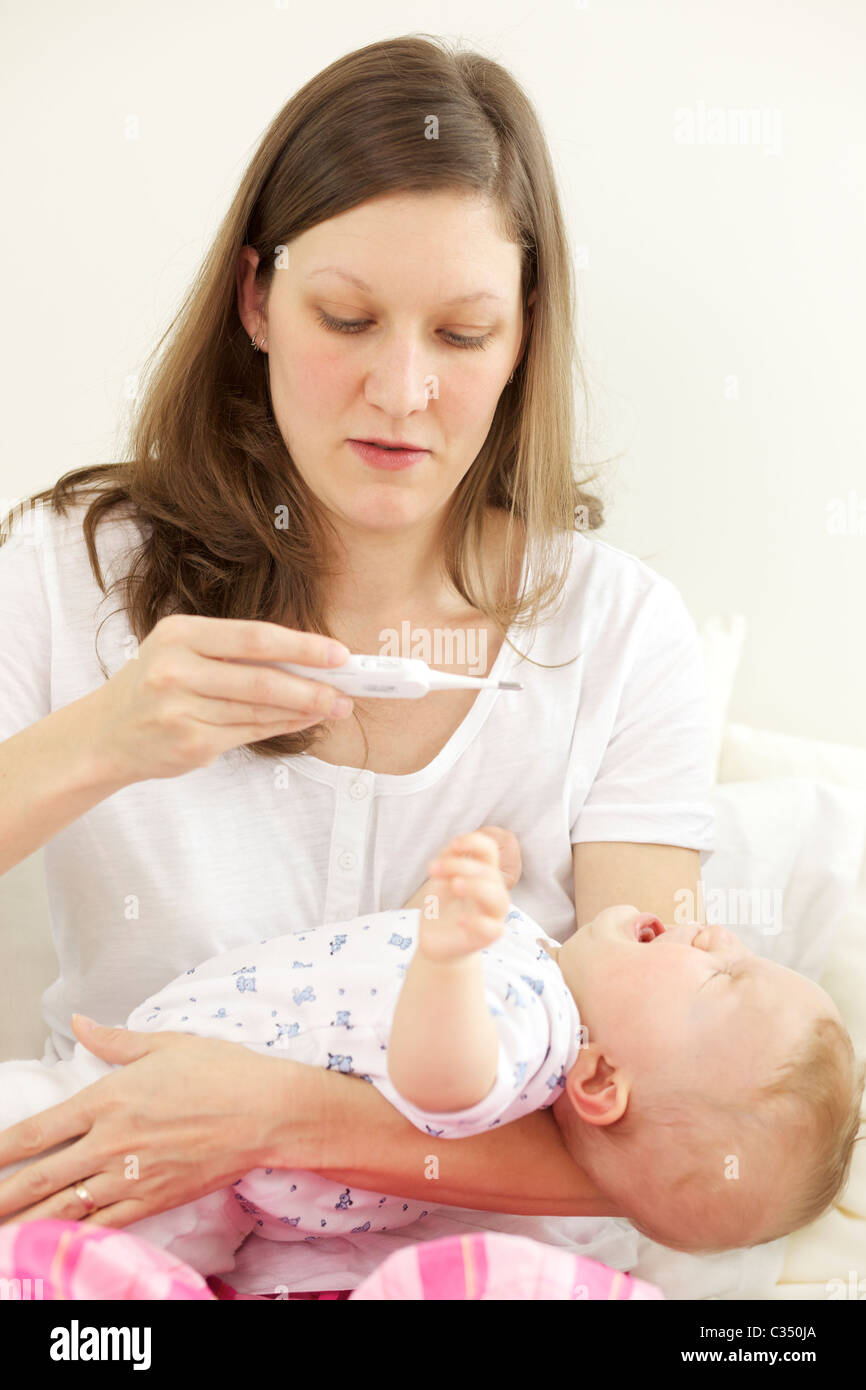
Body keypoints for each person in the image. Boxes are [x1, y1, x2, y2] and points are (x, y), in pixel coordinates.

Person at [0, 36, 720, 1295]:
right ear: (253, 301)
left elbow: (668, 1120)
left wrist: (274, 1116)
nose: (402, 389)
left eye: (460, 332)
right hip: (131, 1226)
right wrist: (103, 738)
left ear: (521, 339)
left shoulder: (616, 636)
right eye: (346, 317)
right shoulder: (74, 572)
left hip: (479, 1257)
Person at [1, 829, 860, 1278]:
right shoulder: (534, 976)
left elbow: (443, 1084)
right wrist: (444, 905)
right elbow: (375, 1009)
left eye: (721, 978)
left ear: (600, 1082)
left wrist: (449, 953)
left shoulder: (537, 1036)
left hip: (135, 1149)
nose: (719, 932)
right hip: (178, 1169)